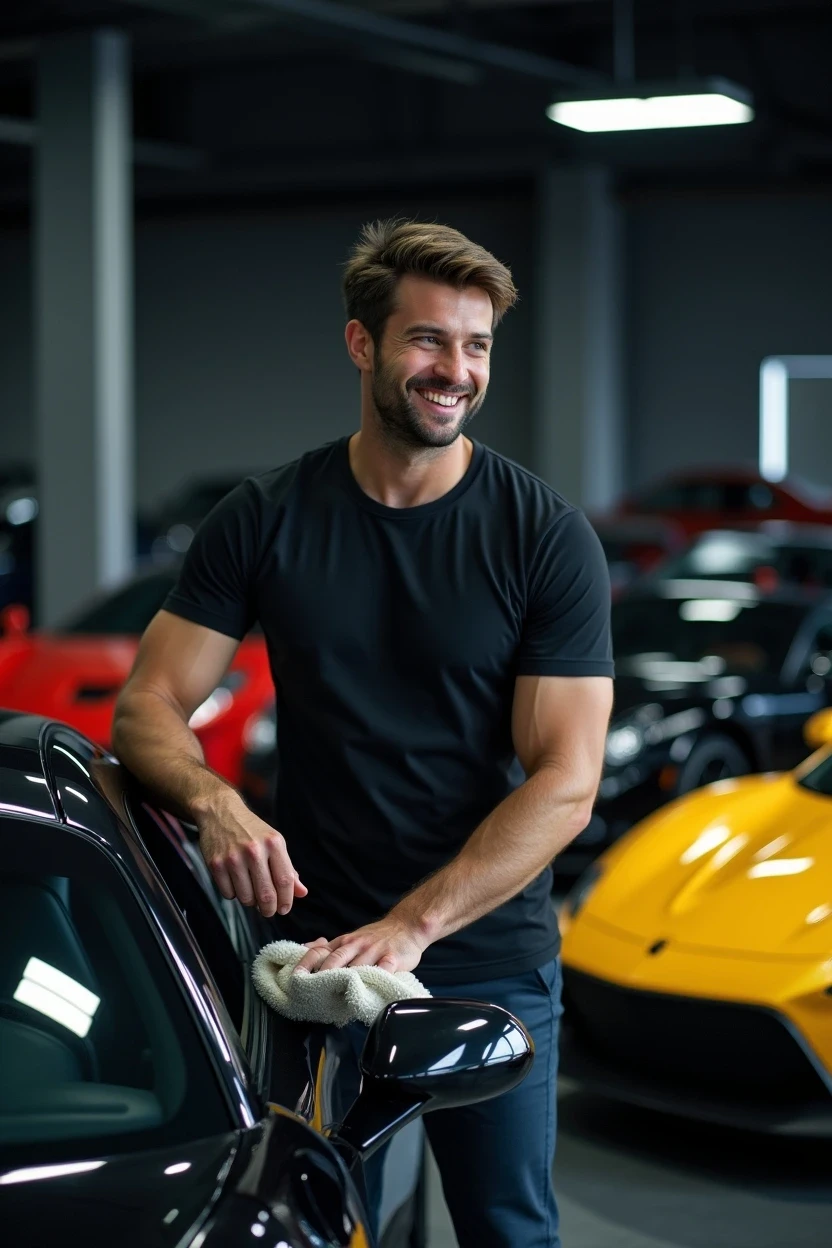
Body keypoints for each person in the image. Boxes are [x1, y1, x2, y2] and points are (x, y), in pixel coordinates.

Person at [112, 218, 614, 1247]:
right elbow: (146, 706)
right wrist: (214, 803)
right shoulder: (268, 517)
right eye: (430, 340)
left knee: (506, 1228)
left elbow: (565, 780)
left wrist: (417, 927)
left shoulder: (542, 536)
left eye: (475, 347)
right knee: (303, 1218)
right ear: (363, 346)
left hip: (484, 954)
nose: (456, 371)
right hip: (318, 954)